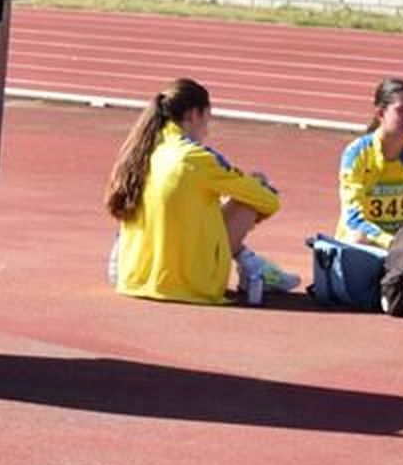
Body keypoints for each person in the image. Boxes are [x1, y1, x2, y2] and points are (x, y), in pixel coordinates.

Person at [105, 78, 299, 305]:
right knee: (253, 194)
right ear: (192, 115)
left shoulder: (141, 150)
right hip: (190, 284)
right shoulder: (196, 157)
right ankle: (251, 265)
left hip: (132, 277)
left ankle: (250, 261)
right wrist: (253, 187)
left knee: (192, 204)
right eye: (207, 120)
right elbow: (269, 201)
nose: (206, 131)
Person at [335, 77, 403, 249]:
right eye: (402, 110)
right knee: (357, 237)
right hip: (372, 245)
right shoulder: (357, 154)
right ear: (380, 113)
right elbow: (353, 218)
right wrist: (392, 243)